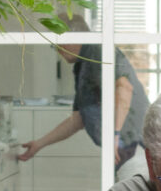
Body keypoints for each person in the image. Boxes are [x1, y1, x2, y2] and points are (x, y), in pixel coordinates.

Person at [15, 29, 147, 168]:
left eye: (56, 45)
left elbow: (124, 88)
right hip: (121, 149)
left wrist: (115, 136)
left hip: (132, 146)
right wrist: (39, 144)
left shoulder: (97, 50)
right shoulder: (82, 65)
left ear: (71, 39)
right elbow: (79, 119)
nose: (57, 51)